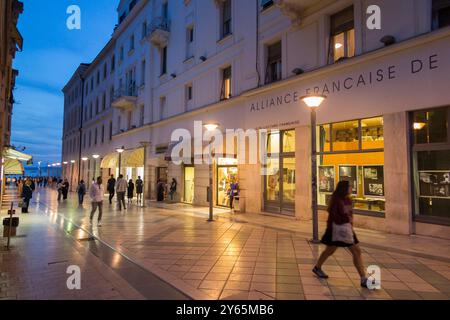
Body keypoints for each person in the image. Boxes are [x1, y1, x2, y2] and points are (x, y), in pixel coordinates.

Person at [312, 180, 368, 288]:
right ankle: (317, 267)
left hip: (347, 229)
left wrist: (350, 224)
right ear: (344, 188)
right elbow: (333, 215)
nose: (352, 188)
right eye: (350, 187)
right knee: (330, 250)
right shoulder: (336, 200)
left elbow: (350, 214)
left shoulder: (348, 199)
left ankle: (363, 278)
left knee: (356, 251)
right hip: (336, 229)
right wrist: (345, 220)